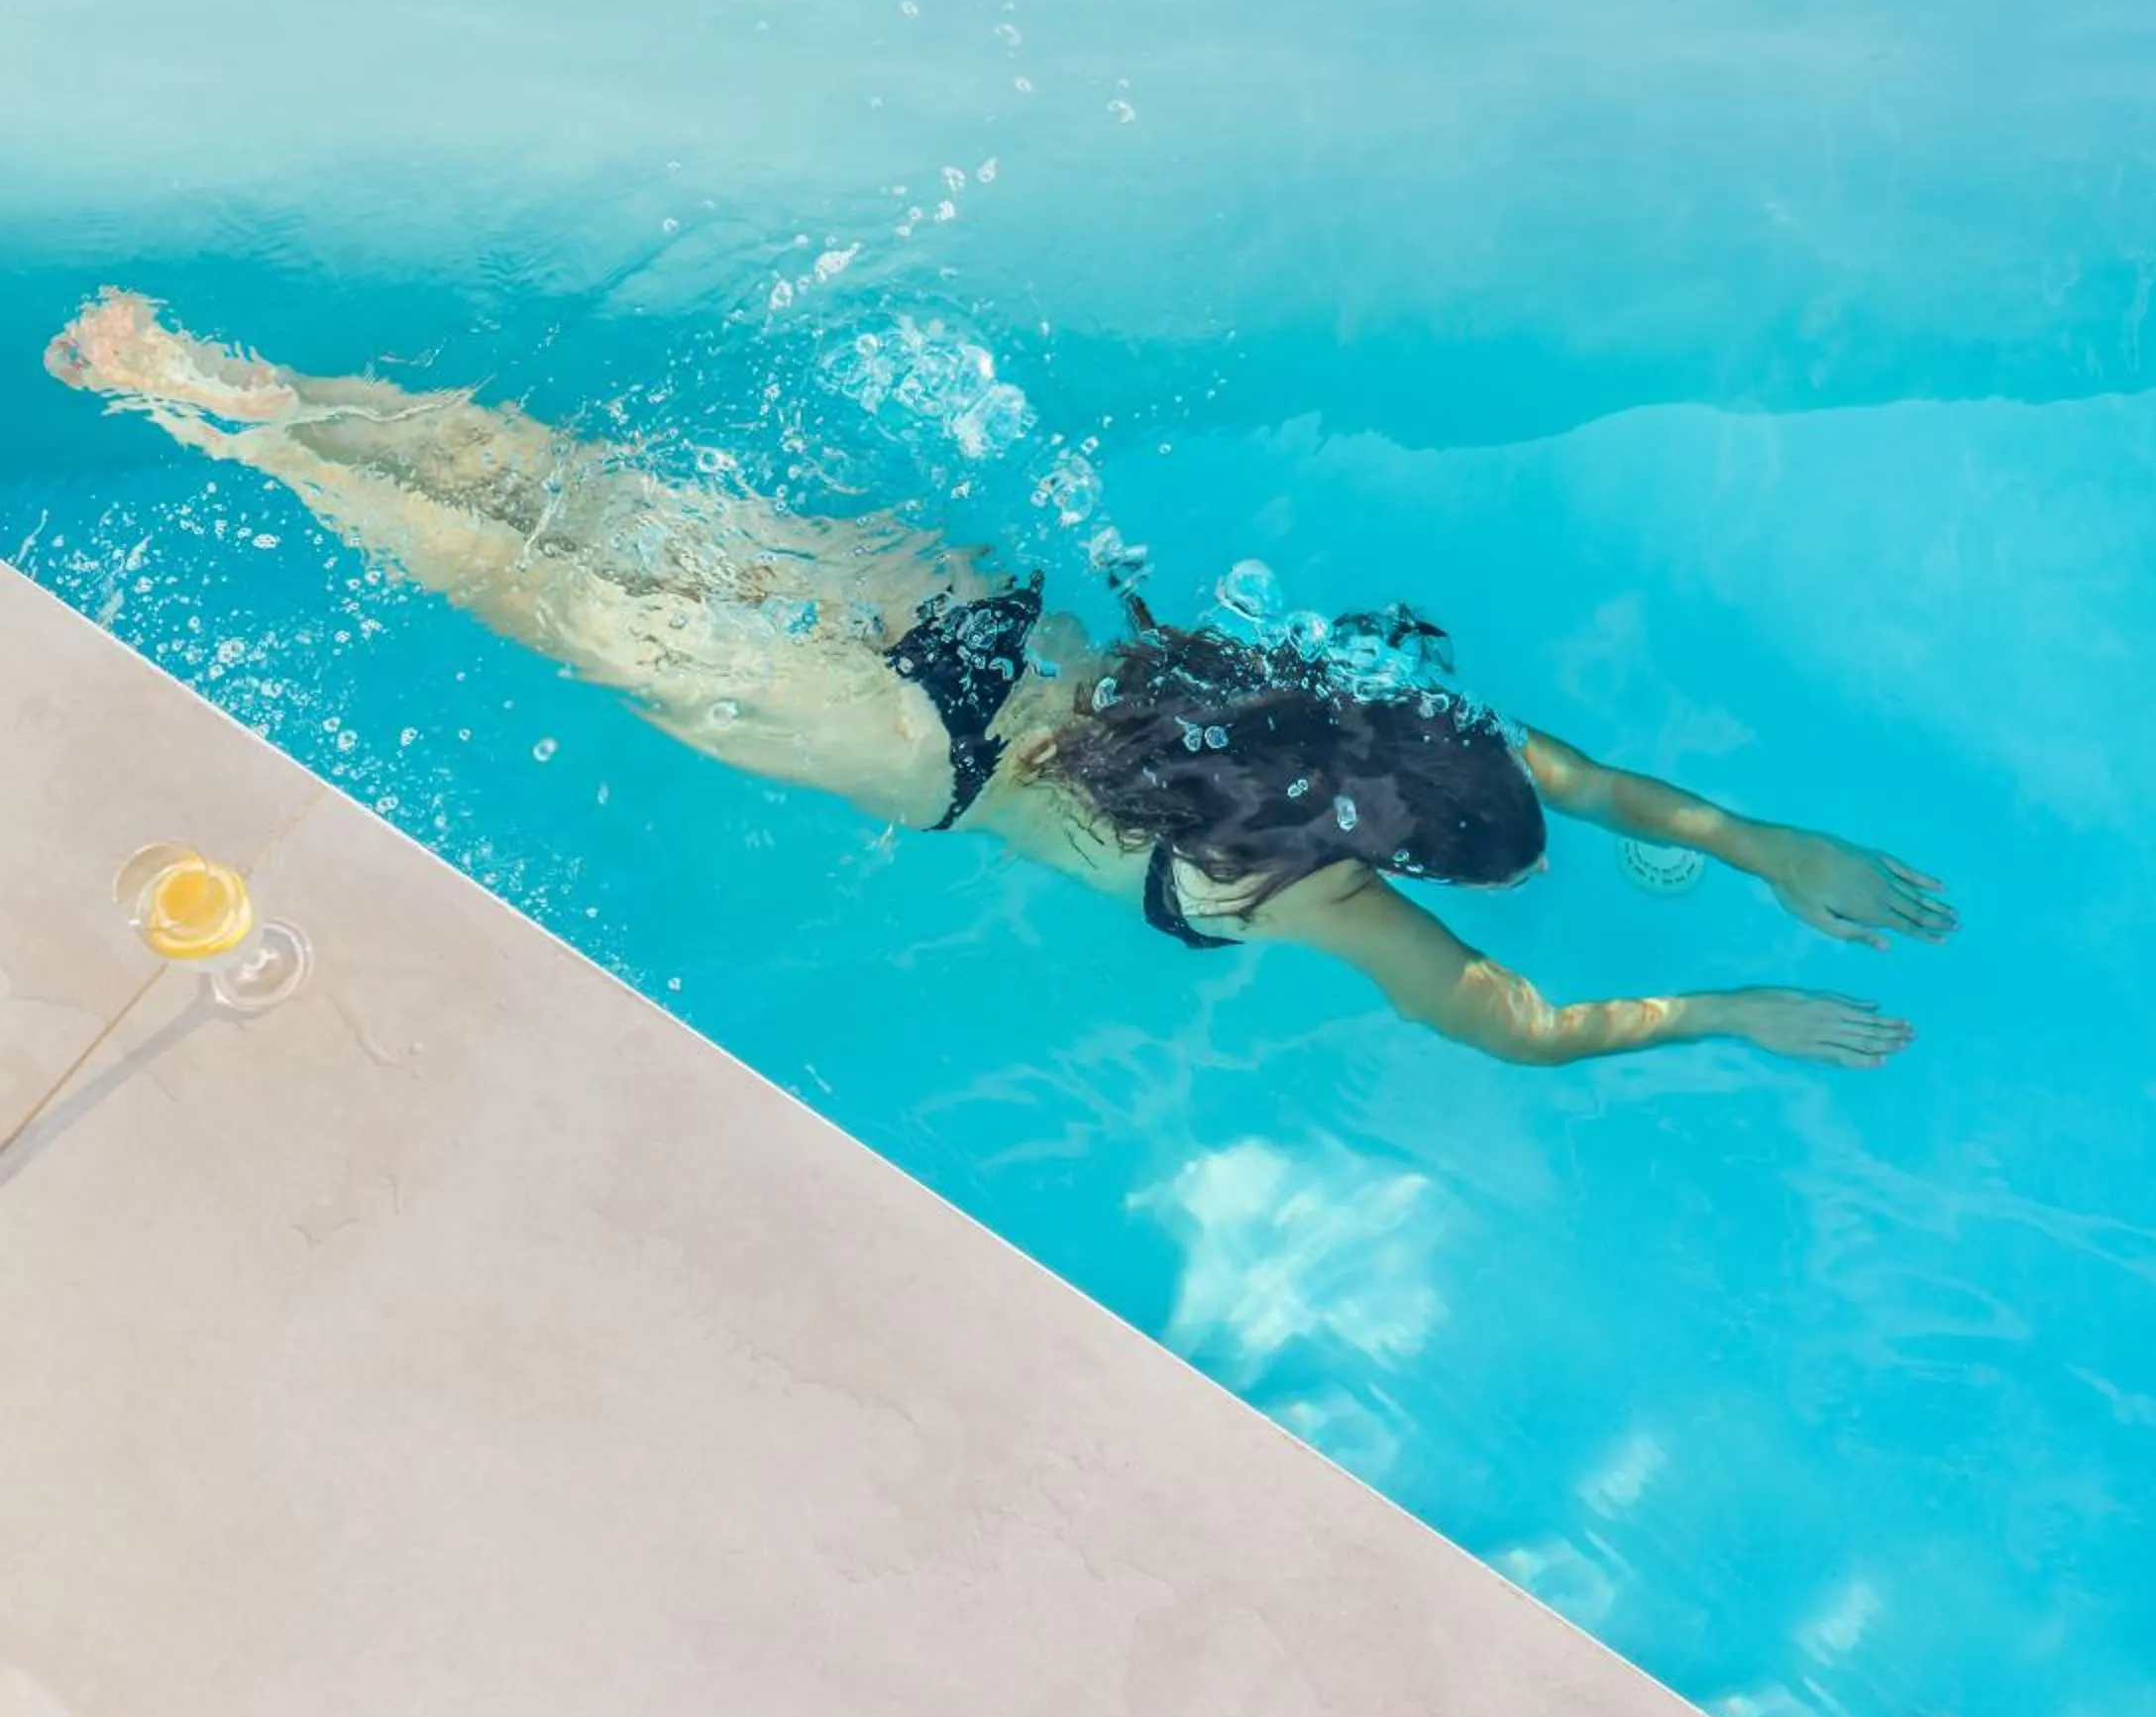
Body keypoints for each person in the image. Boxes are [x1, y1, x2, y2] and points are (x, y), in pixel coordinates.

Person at [46, 289, 1955, 1066]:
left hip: (962, 619)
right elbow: (1524, 1025)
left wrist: (1772, 837)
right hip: (901, 749)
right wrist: (1726, 1005)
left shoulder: (1384, 713)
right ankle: (253, 447)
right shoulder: (1338, 904)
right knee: (521, 589)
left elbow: (1596, 785)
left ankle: (227, 377)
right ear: (1403, 850)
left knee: (585, 497)